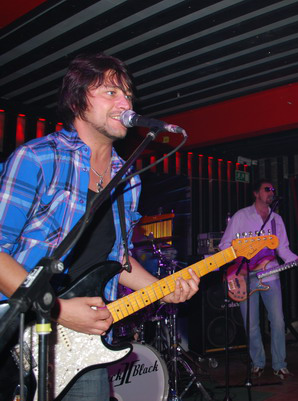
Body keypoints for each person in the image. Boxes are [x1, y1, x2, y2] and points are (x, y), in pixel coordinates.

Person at [0, 53, 200, 401]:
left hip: (85, 347)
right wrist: (60, 311)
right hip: (19, 338)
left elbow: (118, 259)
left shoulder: (128, 179)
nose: (126, 103)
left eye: (128, 95)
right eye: (111, 92)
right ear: (77, 101)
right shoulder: (39, 158)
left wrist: (163, 289)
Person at [219, 179, 298, 380]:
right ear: (256, 193)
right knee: (251, 323)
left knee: (277, 321)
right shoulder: (241, 216)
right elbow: (224, 245)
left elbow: (283, 249)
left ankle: (280, 365)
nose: (271, 192)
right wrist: (238, 265)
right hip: (244, 276)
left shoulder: (276, 220)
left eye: (273, 190)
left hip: (270, 275)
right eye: (266, 189)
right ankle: (257, 363)